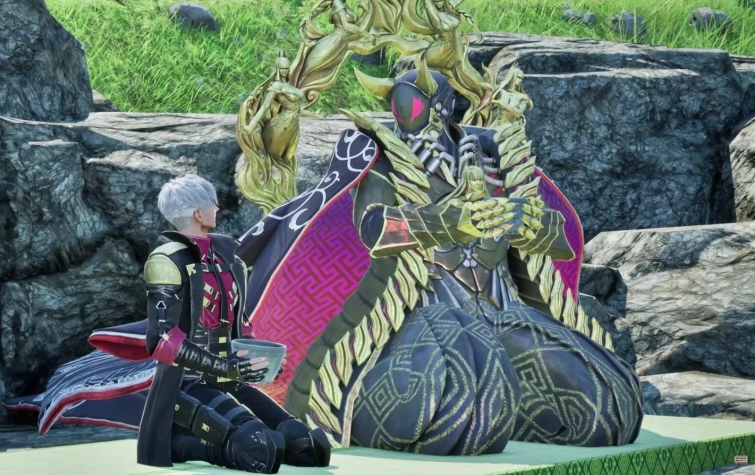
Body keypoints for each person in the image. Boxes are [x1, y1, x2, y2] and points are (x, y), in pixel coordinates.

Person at [234, 66, 644, 455]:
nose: (403, 116)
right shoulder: (384, 158)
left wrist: (525, 222)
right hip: (421, 315)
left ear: (442, 106)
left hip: (504, 311)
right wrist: (452, 221)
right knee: (458, 403)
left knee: (607, 404)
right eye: (398, 106)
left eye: (411, 105)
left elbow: (558, 245)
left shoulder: (494, 156)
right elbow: (375, 229)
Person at [3, 174, 331, 474]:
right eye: (211, 203)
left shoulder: (226, 255)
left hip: (226, 375)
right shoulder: (167, 259)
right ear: (198, 213)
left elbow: (237, 322)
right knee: (256, 444)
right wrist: (224, 366)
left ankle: (199, 442)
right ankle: (189, 447)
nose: (217, 208)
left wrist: (255, 359)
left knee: (303, 444)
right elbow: (162, 339)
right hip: (183, 381)